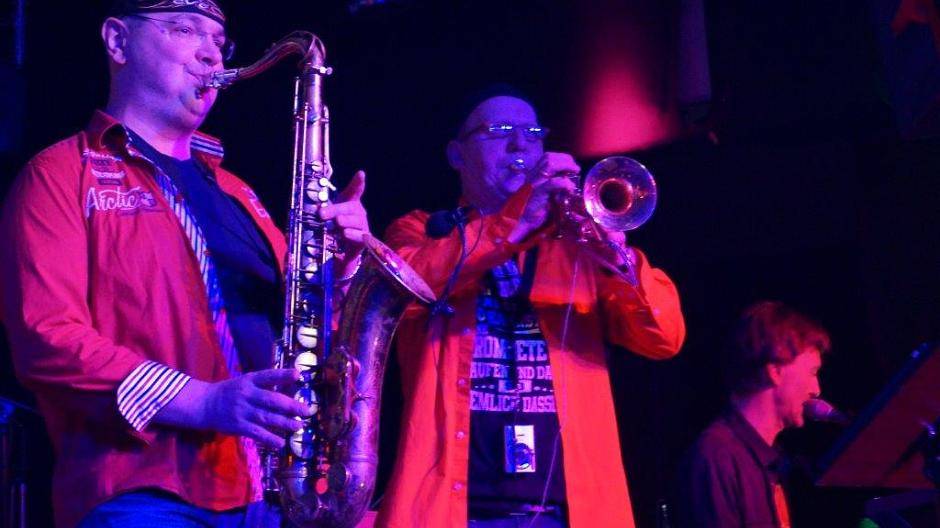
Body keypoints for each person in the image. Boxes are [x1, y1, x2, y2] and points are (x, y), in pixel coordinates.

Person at [0, 1, 371, 526]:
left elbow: (304, 331)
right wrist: (203, 402)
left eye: (219, 42)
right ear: (118, 41)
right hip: (142, 493)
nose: (210, 54)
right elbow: (47, 338)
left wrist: (342, 270)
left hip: (274, 491)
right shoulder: (59, 174)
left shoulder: (240, 193)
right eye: (184, 30)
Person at [375, 86, 686, 527]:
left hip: (569, 512)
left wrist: (618, 257)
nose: (520, 144)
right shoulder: (422, 232)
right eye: (499, 131)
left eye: (533, 133)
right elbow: (409, 286)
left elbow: (665, 339)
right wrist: (516, 222)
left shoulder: (575, 246)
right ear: (456, 155)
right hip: (454, 511)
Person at [676, 301, 831, 527]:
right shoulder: (716, 457)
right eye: (812, 372)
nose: (816, 390)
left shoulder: (771, 461)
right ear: (775, 371)